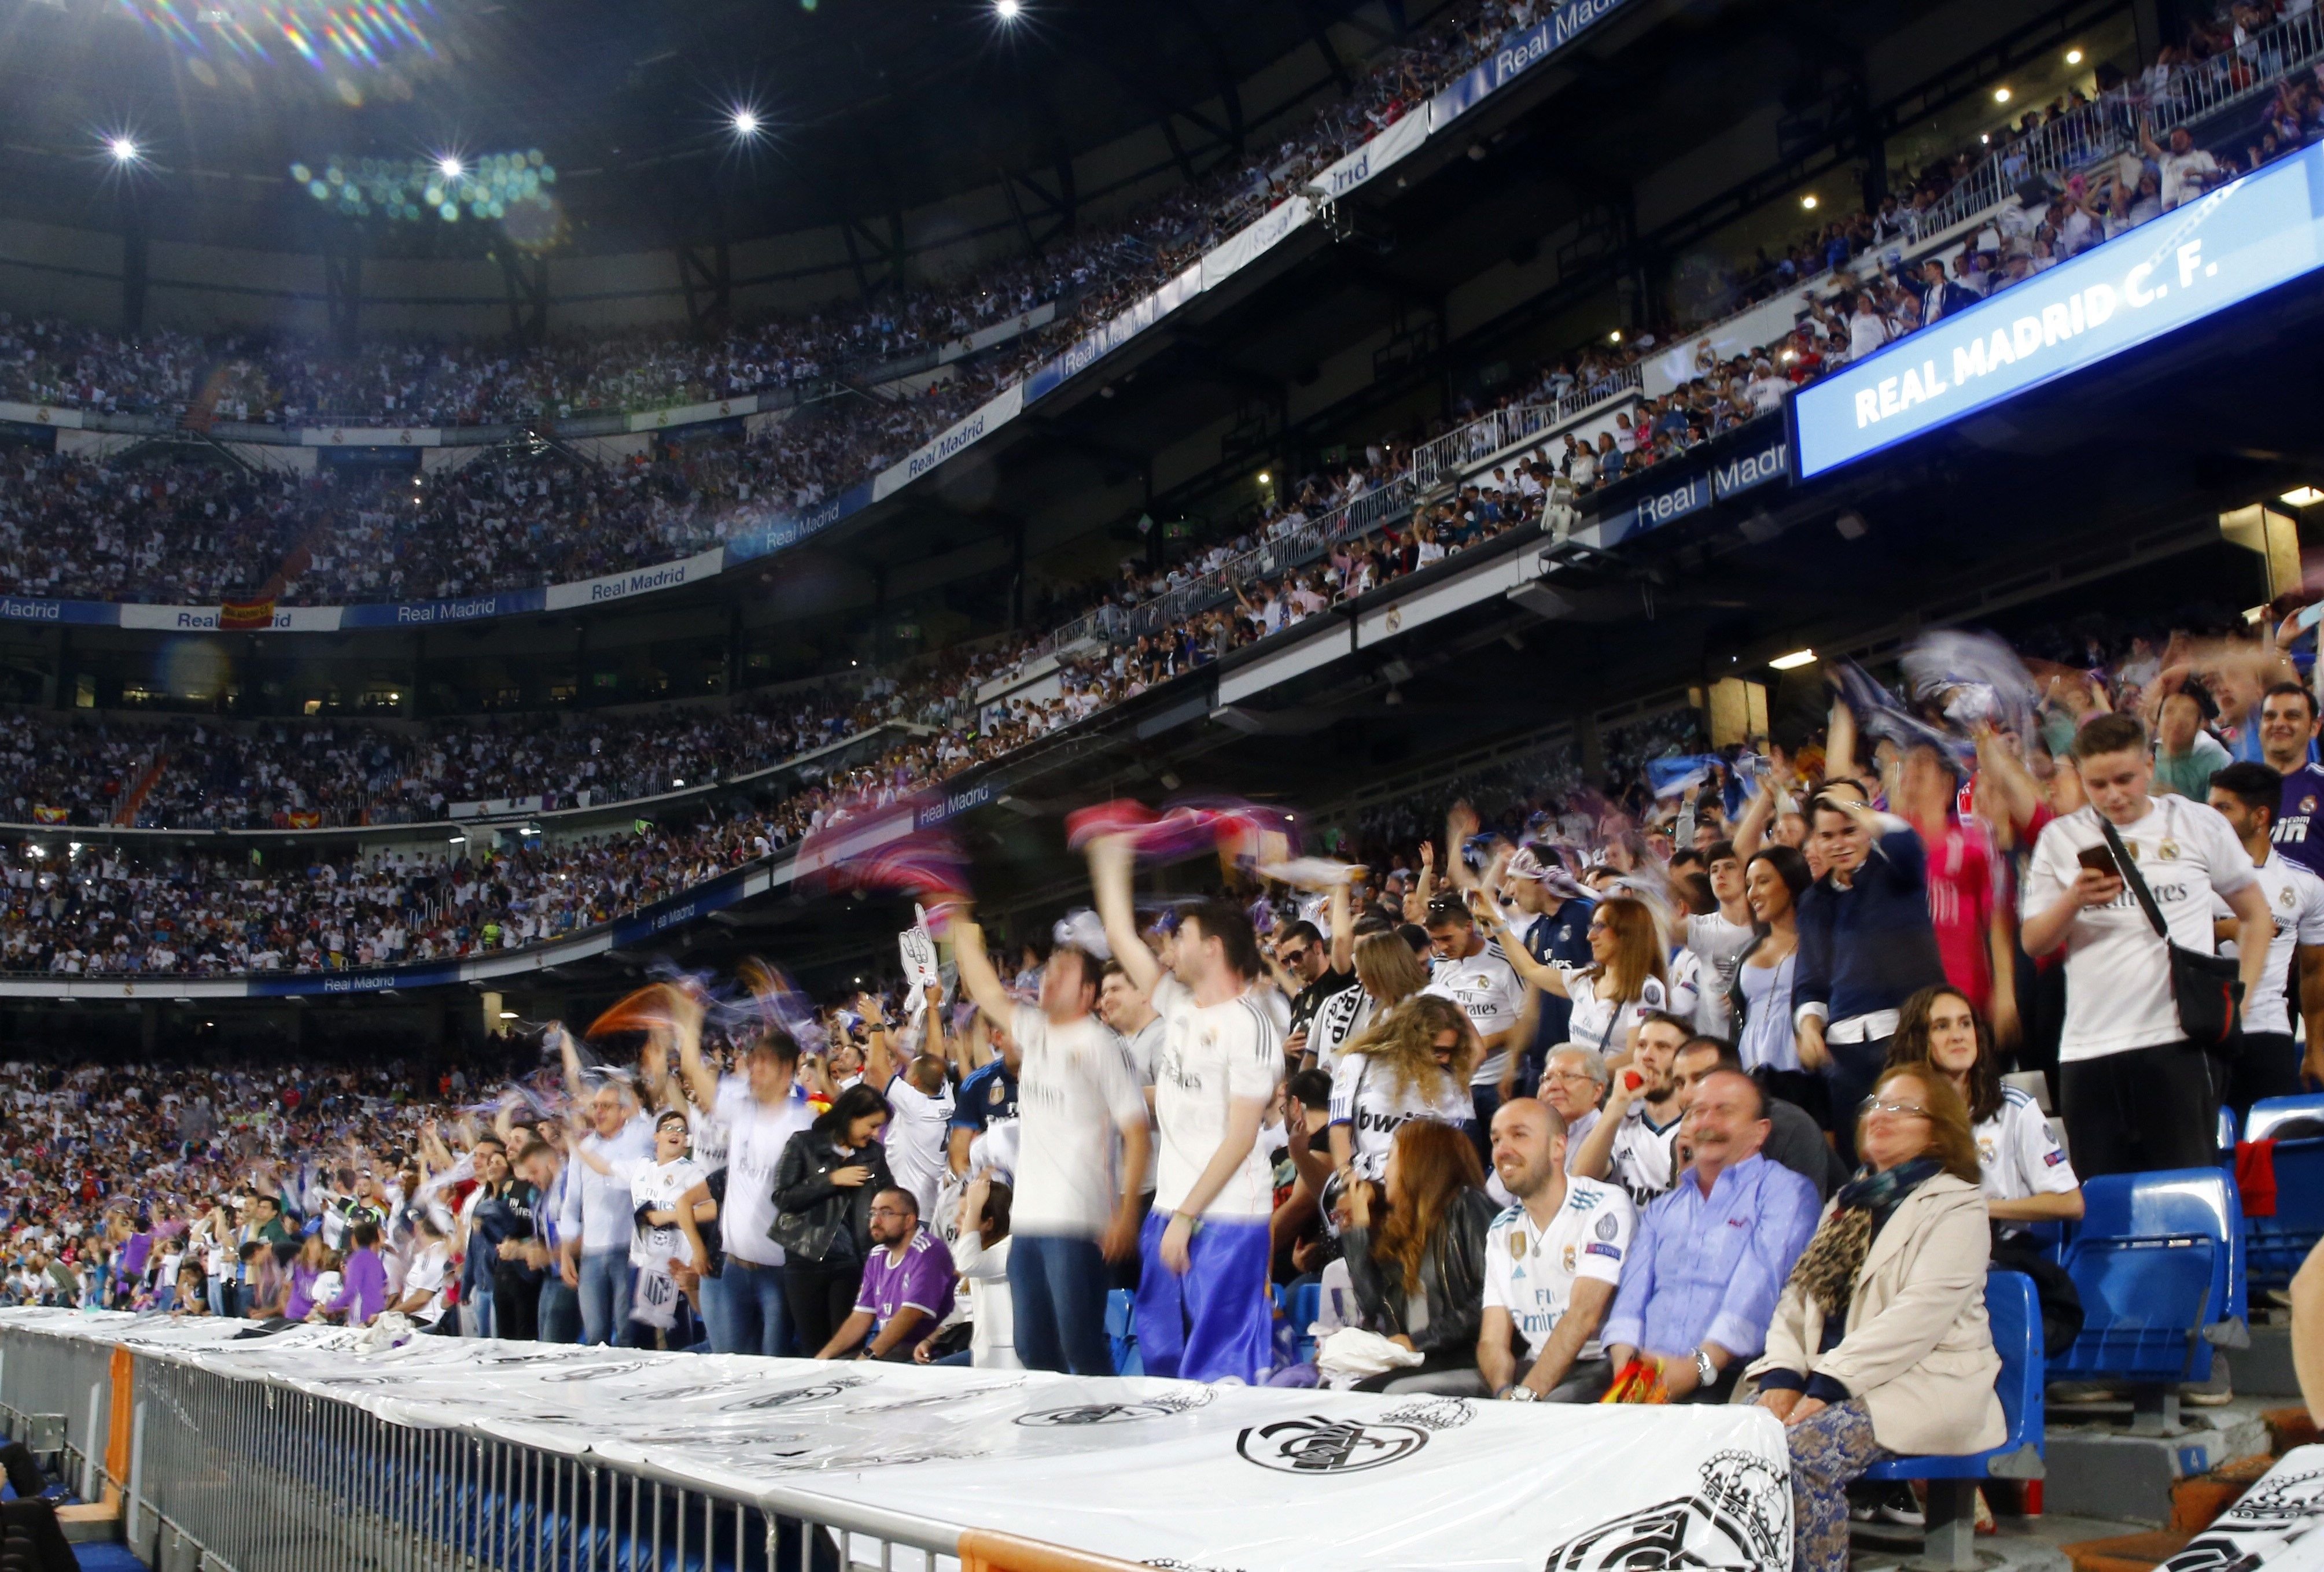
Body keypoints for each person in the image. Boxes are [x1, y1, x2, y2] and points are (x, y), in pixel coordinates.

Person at [1749, 1067, 2005, 1572]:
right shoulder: (1847, 1202)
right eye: (1876, 1104)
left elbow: (1916, 1320)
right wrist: (1782, 1375)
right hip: (1833, 1377)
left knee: (1804, 1454)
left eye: (1902, 1109)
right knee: (1736, 1443)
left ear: (1937, 1130)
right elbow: (1796, 1301)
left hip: (1924, 1383)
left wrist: (1825, 1386)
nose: (1881, 1117)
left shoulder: (1957, 1205)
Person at [2023, 714, 2271, 1175]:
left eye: (2124, 779)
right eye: (2098, 784)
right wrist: (2073, 899)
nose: (2113, 795)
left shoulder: (2197, 824)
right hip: (2086, 1046)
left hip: (2177, 1041)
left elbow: (2257, 917)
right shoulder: (2060, 838)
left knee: (2186, 1186)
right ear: (2080, 778)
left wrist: (2240, 999)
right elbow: (2034, 942)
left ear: (2150, 765)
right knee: (2100, 1200)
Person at [1092, 836, 1282, 1384]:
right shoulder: (1177, 1005)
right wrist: (1110, 863)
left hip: (1225, 1216)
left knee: (1220, 1368)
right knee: (1163, 1358)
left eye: (1182, 936)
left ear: (1214, 947)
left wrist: (1186, 1215)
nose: (1168, 946)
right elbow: (1119, 937)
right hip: (1171, 1211)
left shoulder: (1251, 1026)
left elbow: (1242, 1136)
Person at [952, 913, 1151, 1376]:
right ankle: (1060, 1435)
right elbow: (985, 991)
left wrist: (1124, 1214)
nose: (1049, 981)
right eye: (1049, 972)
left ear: (1086, 994)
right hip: (1029, 1219)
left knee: (1079, 1345)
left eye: (1063, 975)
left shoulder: (1098, 1045)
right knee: (1033, 1348)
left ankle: (1108, 1431)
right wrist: (961, 926)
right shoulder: (1035, 1032)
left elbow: (1136, 1131)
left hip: (1078, 1221)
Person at [1604, 1067, 1820, 1401]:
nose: (1707, 1123)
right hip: (1645, 1379)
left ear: (1760, 1132)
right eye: (1698, 1111)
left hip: (1730, 1379)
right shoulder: (1664, 1209)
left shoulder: (1785, 1192)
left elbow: (1758, 1290)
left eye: (1725, 1111)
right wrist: (1627, 1371)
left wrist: (1696, 1369)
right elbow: (1631, 1298)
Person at [1794, 791, 1950, 1161]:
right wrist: (1810, 1028)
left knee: (1920, 1150)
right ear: (1814, 841)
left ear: (1866, 828)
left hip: (1907, 1039)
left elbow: (1908, 844)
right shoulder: (1813, 901)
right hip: (1844, 1057)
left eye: (1849, 830)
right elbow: (1811, 980)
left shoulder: (1898, 873)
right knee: (1860, 1159)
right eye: (1827, 836)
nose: (1839, 844)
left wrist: (1859, 809)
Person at [1477, 1097, 1636, 1402]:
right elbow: (1492, 1339)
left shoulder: (1603, 1204)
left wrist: (1527, 1397)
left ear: (1558, 1148)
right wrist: (1503, 1390)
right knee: (1405, 1394)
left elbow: (1583, 1316)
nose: (1503, 1149)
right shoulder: (1502, 1228)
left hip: (1596, 1364)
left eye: (1519, 1135)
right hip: (1535, 1365)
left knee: (1546, 1416)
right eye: (1496, 1139)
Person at [679, 1008, 814, 1357]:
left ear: (787, 1071)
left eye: (764, 1063)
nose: (754, 1069)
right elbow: (694, 1072)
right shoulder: (741, 1110)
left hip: (780, 1273)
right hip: (734, 1267)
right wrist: (690, 1020)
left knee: (774, 1371)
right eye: (753, 1062)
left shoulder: (803, 1126)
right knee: (730, 1369)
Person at [1338, 1119, 1498, 1393]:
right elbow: (1374, 1306)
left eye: (1391, 1159)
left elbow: (1492, 1300)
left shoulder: (1467, 1206)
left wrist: (1421, 1341)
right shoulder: (1404, 1228)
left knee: (1370, 1395)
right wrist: (1359, 1230)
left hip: (1470, 1356)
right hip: (1427, 1358)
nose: (1384, 1172)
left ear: (1419, 1163)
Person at [2212, 761, 2324, 1106]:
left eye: (2223, 808)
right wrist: (2226, 929)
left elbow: (2314, 971)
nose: (2211, 818)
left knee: (2269, 1147)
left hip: (2269, 1033)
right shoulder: (2195, 877)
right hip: (2205, 1030)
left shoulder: (2305, 884)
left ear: (2260, 817)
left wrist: (2316, 1050)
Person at [774, 1083, 896, 1357]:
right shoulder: (803, 1143)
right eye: (872, 1125)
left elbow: (890, 1196)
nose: (876, 1134)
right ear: (851, 1116)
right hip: (805, 1260)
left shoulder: (873, 1154)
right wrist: (829, 1180)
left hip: (853, 1262)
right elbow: (783, 1198)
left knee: (848, 1349)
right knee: (815, 1349)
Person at [1482, 893, 1669, 1064]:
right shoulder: (1584, 981)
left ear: (1627, 933)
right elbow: (1529, 968)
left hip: (1617, 1096)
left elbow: (1636, 1057)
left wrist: (1580, 1072)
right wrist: (1495, 920)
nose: (1590, 936)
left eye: (1600, 927)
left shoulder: (1647, 990)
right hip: (1582, 1093)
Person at [555, 1039, 655, 1346]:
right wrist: (565, 1253)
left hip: (629, 1250)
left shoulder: (639, 1138)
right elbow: (572, 1204)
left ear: (624, 1112)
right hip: (593, 1253)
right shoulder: (583, 1150)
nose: (598, 1112)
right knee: (596, 1333)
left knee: (629, 1334)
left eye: (606, 1106)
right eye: (596, 1106)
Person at [1328, 992, 1477, 1185]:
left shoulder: (1451, 1080)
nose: (1446, 1059)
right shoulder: (1360, 1062)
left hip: (1419, 1191)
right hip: (1365, 1184)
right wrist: (1347, 1176)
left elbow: (1457, 1148)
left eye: (1450, 1051)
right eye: (1439, 1050)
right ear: (1414, 1041)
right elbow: (1339, 1127)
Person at [1673, 1038, 1844, 1200]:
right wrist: (1687, 1176)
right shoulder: (1684, 1143)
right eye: (1680, 1083)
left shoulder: (1789, 1127)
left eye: (1701, 1079)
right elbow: (1681, 1226)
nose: (1688, 1095)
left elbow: (1798, 1221)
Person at [1420, 893, 1526, 1136]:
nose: (1443, 947)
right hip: (1458, 1085)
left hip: (1500, 1083)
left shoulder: (1505, 963)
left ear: (1469, 926)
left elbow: (1528, 1024)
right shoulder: (1443, 967)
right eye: (1436, 941)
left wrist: (1483, 1044)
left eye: (1448, 938)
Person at [816, 1187, 956, 1361]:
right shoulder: (877, 1255)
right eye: (873, 1213)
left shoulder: (928, 1251)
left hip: (924, 1349)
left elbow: (910, 1314)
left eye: (886, 1213)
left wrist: (867, 1357)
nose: (876, 1221)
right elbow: (861, 1316)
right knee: (832, 1370)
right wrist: (822, 1359)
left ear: (909, 1220)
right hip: (890, 1349)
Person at [1732, 844, 1820, 1118]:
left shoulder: (1818, 944)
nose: (1753, 893)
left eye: (1763, 881)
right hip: (1751, 1070)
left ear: (1791, 884)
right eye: (1749, 885)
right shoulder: (1749, 949)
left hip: (1802, 1073)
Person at [1570, 1011, 1689, 1205]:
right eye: (1641, 1046)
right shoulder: (1620, 1124)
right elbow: (1581, 1182)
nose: (1647, 1056)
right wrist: (1617, 1103)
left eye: (1662, 1047)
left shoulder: (1695, 1129)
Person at [918, 1174, 1016, 1369]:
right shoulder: (977, 1249)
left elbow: (968, 1264)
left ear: (988, 1223)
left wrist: (975, 1206)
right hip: (983, 1351)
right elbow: (962, 1310)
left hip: (1009, 1357)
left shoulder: (1010, 1249)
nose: (956, 1220)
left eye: (965, 1214)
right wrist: (932, 1338)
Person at [2257, 682, 2324, 881]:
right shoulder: (2236, 790)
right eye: (2270, 716)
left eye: (2292, 716)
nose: (2279, 724)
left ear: (2314, 728)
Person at [1537, 1044, 1608, 1168]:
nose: (1553, 1086)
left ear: (1597, 1091)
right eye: (1548, 1078)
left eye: (1568, 1076)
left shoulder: (1611, 1137)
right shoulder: (1537, 1133)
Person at [319, 1219, 388, 1326]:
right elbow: (384, 1287)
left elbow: (351, 1291)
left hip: (361, 1316)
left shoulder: (356, 1260)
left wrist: (331, 1307)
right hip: (377, 1315)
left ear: (354, 1240)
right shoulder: (376, 1260)